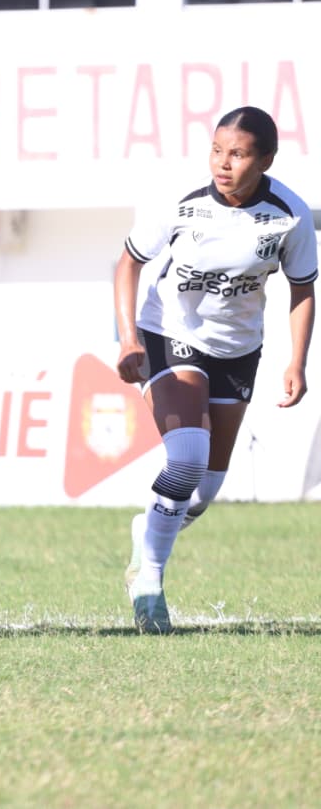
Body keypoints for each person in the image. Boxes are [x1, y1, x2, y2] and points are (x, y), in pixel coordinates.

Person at [114, 106, 316, 634]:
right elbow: (128, 261)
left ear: (265, 159)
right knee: (185, 459)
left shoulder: (290, 215)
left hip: (238, 352)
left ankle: (148, 532)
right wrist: (128, 337)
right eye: (217, 150)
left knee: (202, 492)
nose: (223, 164)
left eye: (239, 154)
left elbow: (301, 289)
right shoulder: (180, 200)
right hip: (169, 336)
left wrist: (297, 360)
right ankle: (149, 582)